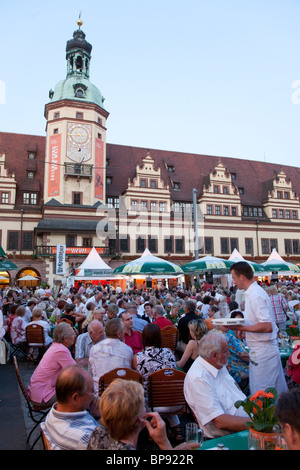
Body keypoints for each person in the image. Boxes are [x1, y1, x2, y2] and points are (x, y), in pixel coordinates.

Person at [229, 261, 288, 395]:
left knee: (264, 394)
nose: (233, 282)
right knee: (262, 391)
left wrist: (242, 328)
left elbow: (267, 326)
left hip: (264, 352)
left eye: (234, 278)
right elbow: (260, 322)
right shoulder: (252, 293)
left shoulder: (255, 294)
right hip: (260, 350)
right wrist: (246, 331)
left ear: (242, 277)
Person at [87, 379, 197, 451]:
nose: (146, 408)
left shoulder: (98, 433)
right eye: (143, 406)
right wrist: (164, 443)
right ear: (139, 417)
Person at [184, 330, 249, 439]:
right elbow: (219, 421)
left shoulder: (218, 364)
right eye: (226, 351)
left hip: (245, 425)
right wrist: (256, 423)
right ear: (214, 355)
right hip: (229, 437)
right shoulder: (199, 378)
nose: (228, 354)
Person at [42, 365, 99, 450]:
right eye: (91, 391)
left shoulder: (54, 412)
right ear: (75, 398)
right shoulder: (84, 438)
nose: (94, 394)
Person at [28, 322, 77, 407]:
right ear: (65, 338)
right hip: (43, 396)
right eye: (73, 334)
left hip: (37, 391)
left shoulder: (55, 346)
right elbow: (76, 371)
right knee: (77, 392)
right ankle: (68, 418)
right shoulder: (61, 350)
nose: (75, 336)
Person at [88, 318, 133, 394]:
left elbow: (90, 374)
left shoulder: (94, 349)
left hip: (100, 395)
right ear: (119, 334)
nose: (125, 332)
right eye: (123, 330)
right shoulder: (127, 350)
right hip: (121, 395)